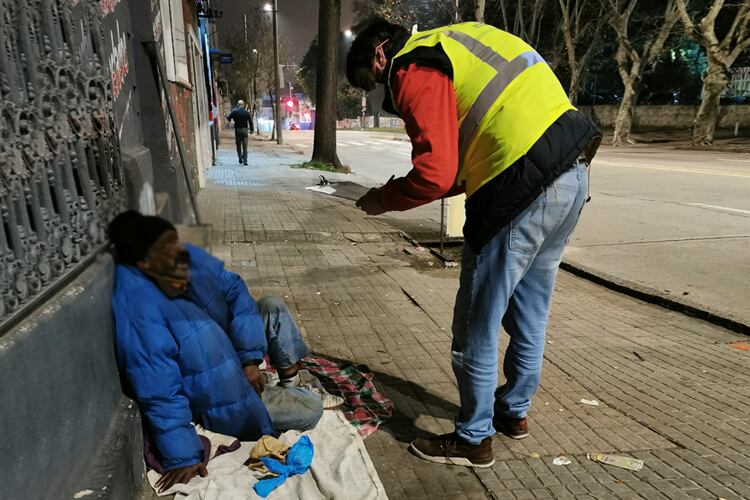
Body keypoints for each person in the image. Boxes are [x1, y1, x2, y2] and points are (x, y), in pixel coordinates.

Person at [346, 19, 601, 467]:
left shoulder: (413, 66)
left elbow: (434, 173)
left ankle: (473, 438)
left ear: (380, 55)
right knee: (531, 312)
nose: (377, 96)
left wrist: (383, 200)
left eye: (369, 82)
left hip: (518, 188)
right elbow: (457, 173)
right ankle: (513, 413)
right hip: (571, 174)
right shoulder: (460, 40)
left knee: (475, 326)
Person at [108, 210, 325, 492]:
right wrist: (182, 455)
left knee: (271, 305)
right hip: (223, 394)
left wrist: (249, 358)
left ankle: (289, 381)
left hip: (232, 357)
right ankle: (284, 392)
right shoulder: (140, 314)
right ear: (144, 263)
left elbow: (234, 288)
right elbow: (160, 392)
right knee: (311, 408)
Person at [227, 100, 253, 165]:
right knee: (245, 146)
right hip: (245, 130)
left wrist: (227, 117)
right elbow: (250, 122)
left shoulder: (234, 112)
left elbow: (229, 119)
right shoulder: (247, 113)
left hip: (238, 130)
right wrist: (251, 130)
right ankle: (245, 161)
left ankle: (240, 157)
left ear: (238, 105)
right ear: (243, 105)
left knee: (238, 145)